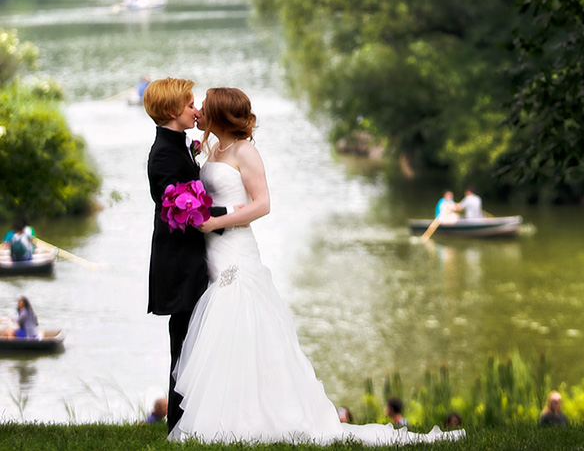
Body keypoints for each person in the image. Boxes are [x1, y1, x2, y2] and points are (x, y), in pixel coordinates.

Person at [170, 87, 464, 445]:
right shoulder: (214, 149)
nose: (198, 109)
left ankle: (250, 417)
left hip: (234, 248)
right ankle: (221, 413)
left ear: (219, 113)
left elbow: (262, 205)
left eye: (204, 105)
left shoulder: (246, 152)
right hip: (212, 251)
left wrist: (217, 221)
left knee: (239, 318)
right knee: (221, 324)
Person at [144, 77, 226, 435]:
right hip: (178, 262)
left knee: (194, 337)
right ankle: (179, 423)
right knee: (184, 339)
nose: (197, 110)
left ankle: (192, 418)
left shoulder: (178, 145)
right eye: (191, 105)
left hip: (190, 258)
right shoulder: (163, 153)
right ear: (173, 111)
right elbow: (181, 210)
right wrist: (232, 215)